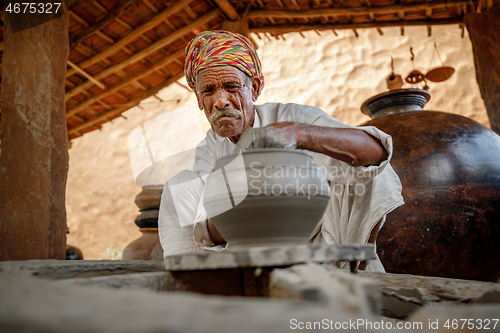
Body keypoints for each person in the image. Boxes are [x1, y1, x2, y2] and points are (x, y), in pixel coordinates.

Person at [158, 30, 403, 272]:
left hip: (321, 250)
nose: (220, 101)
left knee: (366, 170)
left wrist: (299, 134)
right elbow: (209, 231)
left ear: (254, 88)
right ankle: (194, 289)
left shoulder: (295, 118)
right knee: (178, 186)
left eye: (231, 87)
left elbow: (376, 153)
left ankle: (355, 270)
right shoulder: (210, 148)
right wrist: (244, 207)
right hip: (252, 253)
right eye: (209, 91)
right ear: (199, 100)